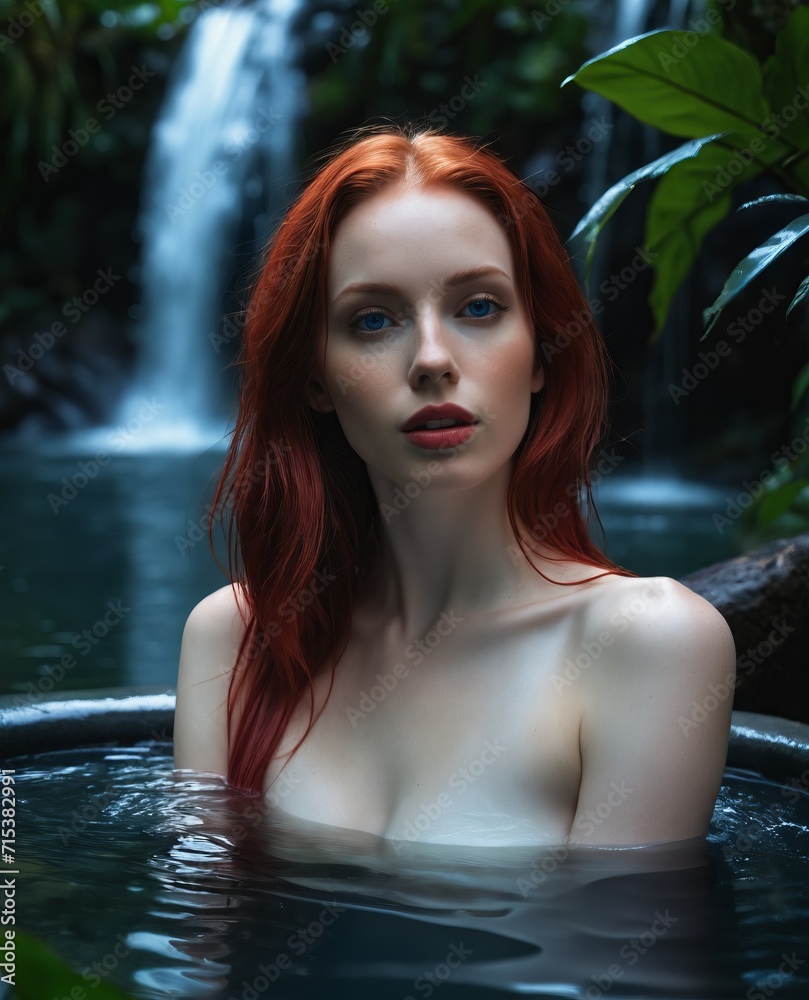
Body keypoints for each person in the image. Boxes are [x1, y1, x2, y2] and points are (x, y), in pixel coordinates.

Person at [173, 120, 737, 850]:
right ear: (314, 378)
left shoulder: (649, 644)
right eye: (373, 320)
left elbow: (627, 961)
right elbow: (199, 949)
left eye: (478, 308)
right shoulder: (237, 639)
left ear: (541, 353)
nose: (432, 360)